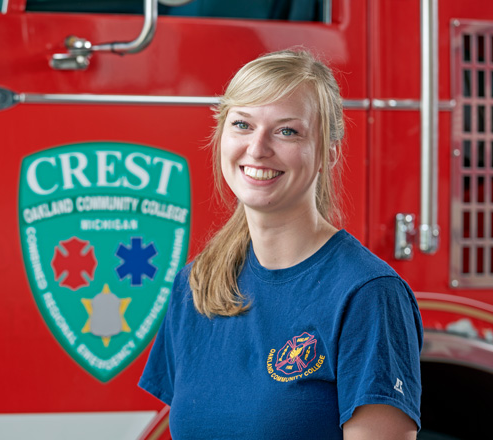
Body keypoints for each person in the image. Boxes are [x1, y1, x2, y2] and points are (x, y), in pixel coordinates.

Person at [139, 49, 423, 439]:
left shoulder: (367, 295)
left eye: (287, 131)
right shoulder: (198, 285)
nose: (257, 149)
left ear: (328, 153)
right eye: (242, 124)